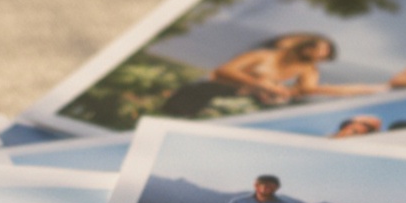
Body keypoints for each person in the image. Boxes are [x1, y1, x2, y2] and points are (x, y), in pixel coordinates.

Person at [157, 33, 382, 118]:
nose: (319, 57)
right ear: (306, 46)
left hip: (244, 101)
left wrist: (359, 89)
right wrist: (262, 84)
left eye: (325, 55)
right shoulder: (263, 55)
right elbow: (225, 70)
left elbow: (309, 89)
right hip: (210, 90)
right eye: (318, 50)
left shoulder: (307, 70)